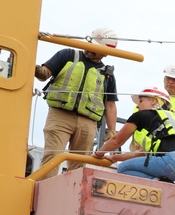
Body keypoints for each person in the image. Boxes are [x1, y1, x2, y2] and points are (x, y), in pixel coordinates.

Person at [33, 27, 119, 177]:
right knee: (52, 157)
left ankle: (70, 198)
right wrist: (36, 69)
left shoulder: (107, 73)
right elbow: (44, 74)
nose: (91, 49)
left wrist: (112, 130)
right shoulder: (67, 55)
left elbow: (110, 104)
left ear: (106, 53)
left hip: (88, 122)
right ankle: (43, 196)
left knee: (79, 165)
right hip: (60, 115)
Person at [93, 87, 175, 182]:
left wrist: (98, 155)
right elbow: (143, 155)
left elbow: (117, 140)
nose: (137, 106)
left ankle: (164, 186)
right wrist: (114, 157)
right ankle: (168, 186)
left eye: (141, 101)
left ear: (153, 101)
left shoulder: (141, 115)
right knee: (154, 165)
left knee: (124, 168)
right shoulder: (174, 119)